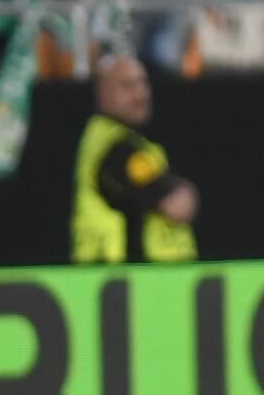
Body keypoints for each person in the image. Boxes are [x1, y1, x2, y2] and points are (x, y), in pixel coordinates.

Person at [71, 54, 199, 264]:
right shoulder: (119, 149)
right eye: (127, 86)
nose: (140, 94)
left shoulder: (108, 138)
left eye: (143, 83)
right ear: (103, 94)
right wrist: (186, 192)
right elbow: (175, 205)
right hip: (124, 281)